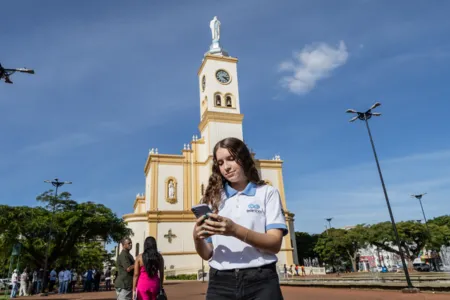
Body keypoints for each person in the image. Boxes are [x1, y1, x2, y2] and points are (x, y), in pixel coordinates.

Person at [193, 137, 287, 299]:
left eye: (231, 159)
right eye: (220, 163)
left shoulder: (267, 193)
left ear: (244, 158)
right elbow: (207, 253)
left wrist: (235, 230)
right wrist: (196, 238)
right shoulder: (213, 199)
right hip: (220, 282)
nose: (226, 167)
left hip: (261, 281)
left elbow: (274, 244)